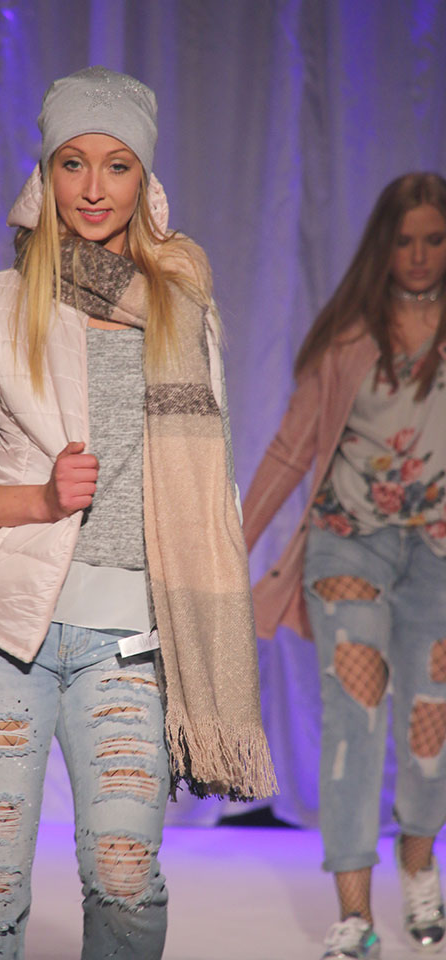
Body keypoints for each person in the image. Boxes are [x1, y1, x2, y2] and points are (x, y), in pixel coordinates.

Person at [0, 66, 276, 959]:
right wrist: (38, 497)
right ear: (47, 173)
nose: (94, 188)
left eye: (117, 165)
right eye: (73, 163)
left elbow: (210, 491)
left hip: (129, 644)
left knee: (126, 882)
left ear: (145, 179)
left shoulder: (184, 312)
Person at [243, 172, 446, 959]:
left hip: (437, 553)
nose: (419, 254)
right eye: (404, 239)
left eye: (434, 239)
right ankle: (355, 917)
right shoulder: (348, 336)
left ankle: (419, 862)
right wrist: (231, 546)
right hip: (346, 541)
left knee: (429, 728)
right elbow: (291, 449)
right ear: (381, 245)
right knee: (352, 722)